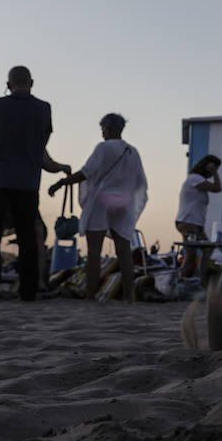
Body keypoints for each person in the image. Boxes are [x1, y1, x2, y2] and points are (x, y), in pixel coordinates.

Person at [0, 66, 68, 302]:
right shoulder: (43, 108)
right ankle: (28, 292)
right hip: (27, 182)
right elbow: (41, 145)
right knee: (28, 238)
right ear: (32, 83)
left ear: (8, 84)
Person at [50, 113, 148, 302]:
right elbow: (140, 182)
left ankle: (90, 294)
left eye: (103, 129)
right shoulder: (133, 152)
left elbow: (86, 172)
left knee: (94, 252)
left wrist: (62, 182)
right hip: (123, 203)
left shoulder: (103, 147)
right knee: (124, 250)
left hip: (102, 202)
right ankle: (130, 296)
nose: (102, 133)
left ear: (108, 128)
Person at [175, 154, 222, 279]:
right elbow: (217, 188)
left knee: (202, 251)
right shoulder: (194, 178)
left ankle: (197, 280)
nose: (214, 172)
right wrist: (214, 172)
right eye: (215, 168)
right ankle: (187, 282)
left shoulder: (198, 181)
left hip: (195, 224)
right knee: (197, 253)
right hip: (188, 223)